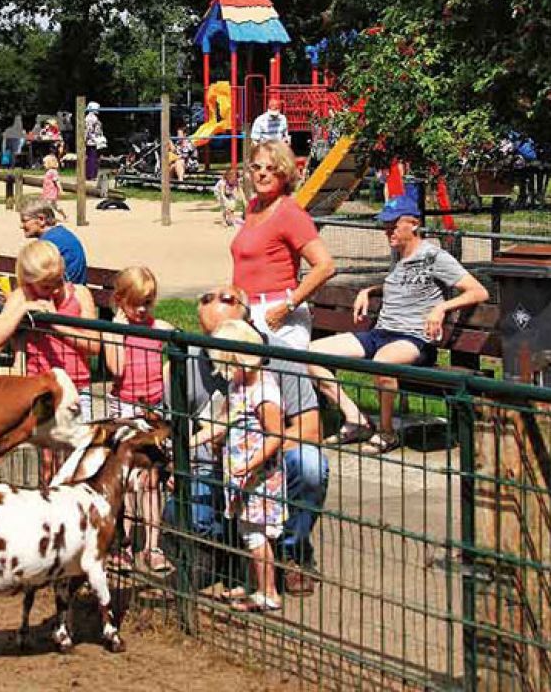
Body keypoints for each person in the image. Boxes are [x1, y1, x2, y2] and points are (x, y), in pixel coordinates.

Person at [171, 284, 326, 597]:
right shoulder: (187, 360)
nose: (218, 353)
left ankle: (291, 552)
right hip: (209, 468)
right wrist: (180, 457)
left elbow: (310, 430)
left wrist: (252, 455)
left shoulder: (277, 359)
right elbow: (176, 425)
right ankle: (220, 549)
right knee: (176, 511)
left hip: (261, 466)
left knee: (310, 465)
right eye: (210, 340)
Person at [308, 195, 489, 455]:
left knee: (383, 363)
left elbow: (478, 291)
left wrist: (441, 308)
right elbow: (402, 286)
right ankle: (355, 418)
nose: (388, 231)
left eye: (394, 225)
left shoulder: (434, 257)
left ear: (413, 224)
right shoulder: (398, 257)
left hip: (413, 339)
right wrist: (370, 290)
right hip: (380, 333)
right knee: (309, 353)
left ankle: (387, 432)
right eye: (386, 225)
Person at [0, 241, 101, 486]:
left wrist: (55, 322)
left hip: (77, 387)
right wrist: (23, 309)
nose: (51, 291)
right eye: (44, 286)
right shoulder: (23, 296)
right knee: (48, 459)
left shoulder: (79, 294)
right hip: (42, 390)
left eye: (56, 283)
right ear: (28, 282)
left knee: (79, 456)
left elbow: (94, 346)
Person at [193, 320, 289, 612]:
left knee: (257, 534)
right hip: (241, 473)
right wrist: (192, 441)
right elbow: (222, 421)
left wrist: (251, 463)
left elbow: (276, 435)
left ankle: (267, 593)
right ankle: (254, 585)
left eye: (228, 364)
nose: (226, 372)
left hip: (258, 476)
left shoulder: (263, 391)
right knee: (249, 531)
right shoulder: (239, 385)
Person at [231, 140, 336, 350]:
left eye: (271, 169)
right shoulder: (253, 208)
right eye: (256, 167)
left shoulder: (289, 213)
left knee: (275, 380)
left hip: (276, 315)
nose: (262, 174)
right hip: (246, 310)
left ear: (284, 173)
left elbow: (325, 266)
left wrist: (286, 307)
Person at [105, 265, 173, 574]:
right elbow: (116, 370)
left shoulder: (158, 327)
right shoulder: (114, 331)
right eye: (137, 304)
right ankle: (125, 543)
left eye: (149, 302)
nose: (144, 310)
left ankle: (153, 545)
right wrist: (119, 332)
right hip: (126, 408)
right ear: (120, 301)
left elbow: (175, 351)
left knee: (151, 480)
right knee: (128, 479)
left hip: (153, 409)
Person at [18, 198, 87, 285]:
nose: (21, 226)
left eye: (24, 221)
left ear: (41, 219)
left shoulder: (49, 243)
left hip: (64, 294)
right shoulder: (60, 234)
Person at [84, 101, 106, 181]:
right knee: (92, 158)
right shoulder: (91, 118)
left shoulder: (91, 117)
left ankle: (92, 174)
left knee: (93, 158)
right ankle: (91, 175)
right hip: (92, 141)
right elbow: (88, 131)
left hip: (93, 140)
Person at [40, 155, 67, 220]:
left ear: (49, 163)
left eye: (44, 163)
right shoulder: (48, 172)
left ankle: (49, 217)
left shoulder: (53, 172)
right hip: (47, 192)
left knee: (47, 205)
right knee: (55, 206)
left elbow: (57, 181)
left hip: (52, 192)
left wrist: (60, 190)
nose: (43, 165)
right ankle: (63, 215)